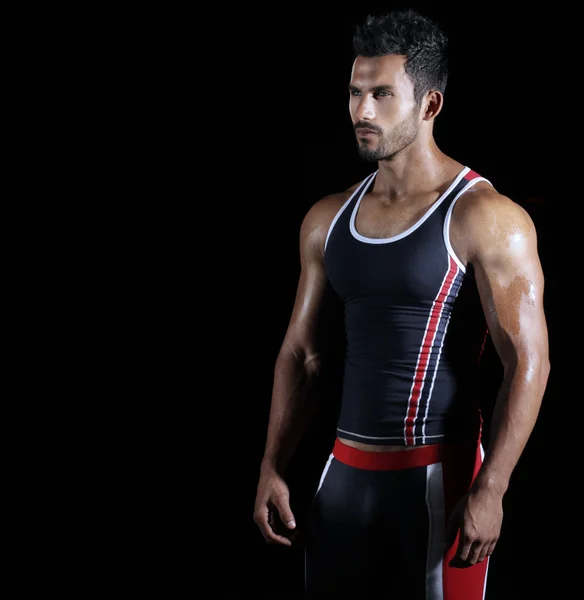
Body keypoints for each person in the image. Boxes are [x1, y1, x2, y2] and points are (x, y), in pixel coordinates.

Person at [252, 8, 550, 599]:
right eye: (355, 92)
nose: (361, 111)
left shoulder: (485, 216)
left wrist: (492, 487)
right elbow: (303, 355)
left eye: (382, 94)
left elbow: (528, 361)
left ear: (430, 104)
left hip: (437, 481)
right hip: (342, 476)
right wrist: (272, 464)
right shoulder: (327, 218)